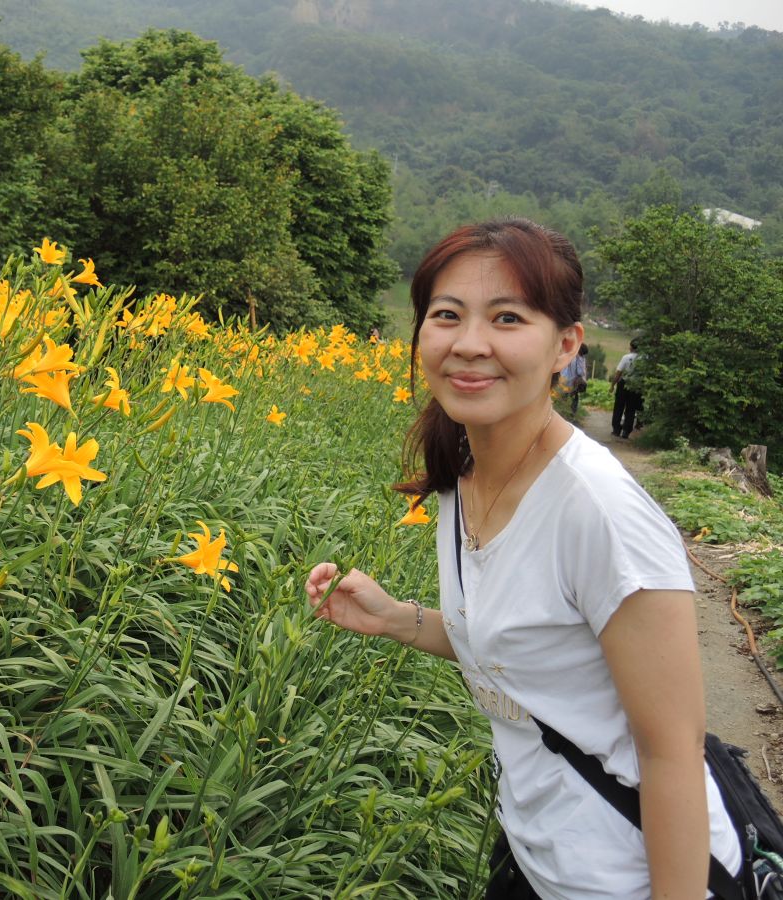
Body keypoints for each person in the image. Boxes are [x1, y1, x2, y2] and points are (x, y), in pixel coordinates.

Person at [305, 219, 739, 899]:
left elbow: (672, 755)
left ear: (567, 345)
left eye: (507, 317)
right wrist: (397, 618)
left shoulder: (601, 514)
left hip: (625, 877)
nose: (469, 343)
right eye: (446, 315)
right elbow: (530, 654)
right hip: (533, 854)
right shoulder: (462, 474)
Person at [611, 339, 643, 439]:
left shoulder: (626, 357)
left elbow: (618, 372)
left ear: (631, 347)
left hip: (624, 384)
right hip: (636, 386)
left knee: (619, 407)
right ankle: (626, 431)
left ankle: (616, 430)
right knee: (631, 409)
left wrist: (612, 385)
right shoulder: (644, 358)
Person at [559, 342, 588, 416]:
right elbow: (580, 372)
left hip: (563, 380)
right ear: (581, 352)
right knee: (573, 401)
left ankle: (562, 414)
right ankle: (571, 415)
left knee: (562, 399)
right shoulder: (579, 358)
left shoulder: (569, 354)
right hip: (572, 383)